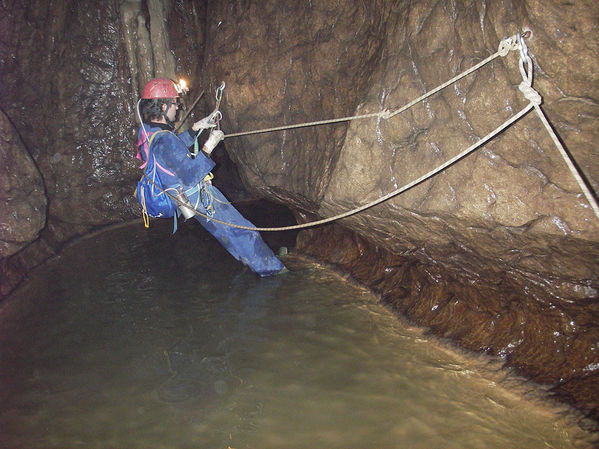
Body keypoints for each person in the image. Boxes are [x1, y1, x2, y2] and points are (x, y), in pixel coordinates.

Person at [136, 78, 285, 277]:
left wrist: (196, 128)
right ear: (163, 106)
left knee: (227, 233)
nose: (177, 108)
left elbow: (172, 152)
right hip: (198, 196)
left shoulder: (149, 132)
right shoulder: (163, 139)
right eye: (174, 103)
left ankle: (252, 261)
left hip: (187, 201)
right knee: (242, 230)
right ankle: (273, 270)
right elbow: (190, 174)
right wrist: (209, 146)